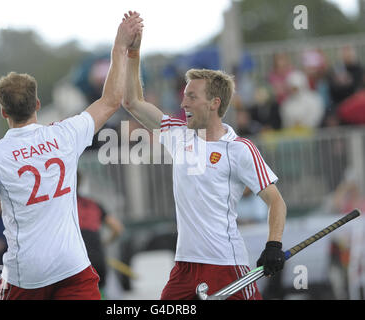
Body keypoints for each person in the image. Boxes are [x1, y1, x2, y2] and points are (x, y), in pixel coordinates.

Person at [0, 11, 144, 300]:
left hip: (26, 275)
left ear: (4, 112)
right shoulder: (64, 135)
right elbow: (110, 101)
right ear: (37, 104)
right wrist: (119, 47)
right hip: (72, 267)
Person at [121, 11, 286, 300]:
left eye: (192, 96)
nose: (182, 101)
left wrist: (273, 245)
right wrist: (133, 52)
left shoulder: (239, 149)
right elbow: (131, 101)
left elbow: (276, 201)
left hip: (226, 265)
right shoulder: (177, 132)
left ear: (214, 103)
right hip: (184, 267)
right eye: (184, 95)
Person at [76, 171, 124, 292]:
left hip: (78, 262)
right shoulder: (94, 204)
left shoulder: (64, 206)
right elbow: (117, 228)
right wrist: (104, 243)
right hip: (97, 259)